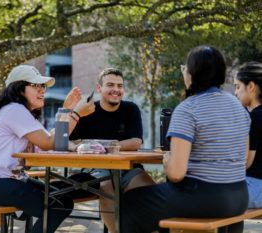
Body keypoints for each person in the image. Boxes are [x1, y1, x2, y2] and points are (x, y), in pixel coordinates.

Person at [121, 45, 250, 233]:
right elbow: (244, 159)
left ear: (191, 74)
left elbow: (176, 174)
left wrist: (167, 161)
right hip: (239, 196)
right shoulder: (238, 106)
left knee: (130, 203)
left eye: (185, 68)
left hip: (204, 198)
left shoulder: (188, 109)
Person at [0, 64, 95, 233]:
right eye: (35, 85)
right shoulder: (14, 110)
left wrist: (67, 110)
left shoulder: (21, 113)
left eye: (42, 86)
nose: (42, 90)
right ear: (19, 89)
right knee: (58, 206)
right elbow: (50, 142)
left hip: (9, 181)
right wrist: (75, 114)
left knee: (63, 202)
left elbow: (52, 141)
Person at [70, 68, 155, 232]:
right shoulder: (87, 111)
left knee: (149, 190)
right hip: (95, 169)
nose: (116, 89)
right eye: (110, 85)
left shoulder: (131, 109)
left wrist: (103, 147)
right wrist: (77, 147)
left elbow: (136, 142)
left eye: (120, 85)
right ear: (99, 88)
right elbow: (64, 139)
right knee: (106, 187)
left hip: (128, 167)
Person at [234, 61, 262, 209]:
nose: (235, 92)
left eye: (238, 87)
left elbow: (246, 163)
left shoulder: (254, 118)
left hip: (255, 187)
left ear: (251, 87)